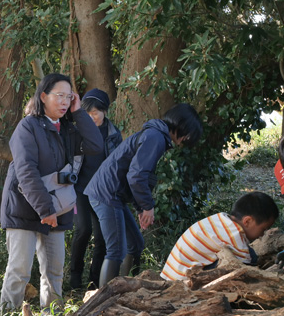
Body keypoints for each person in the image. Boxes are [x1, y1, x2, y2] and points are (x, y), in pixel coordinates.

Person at [0, 73, 103, 316]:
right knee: (19, 270)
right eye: (59, 95)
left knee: (54, 270)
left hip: (58, 209)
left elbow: (96, 146)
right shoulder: (27, 126)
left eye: (69, 96)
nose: (64, 101)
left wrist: (79, 113)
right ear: (43, 96)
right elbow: (26, 172)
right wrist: (45, 211)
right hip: (24, 208)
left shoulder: (69, 129)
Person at [85, 103, 202, 287]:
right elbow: (137, 175)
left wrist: (141, 208)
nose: (185, 140)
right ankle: (104, 300)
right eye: (188, 135)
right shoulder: (155, 137)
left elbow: (137, 175)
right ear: (181, 125)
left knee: (136, 244)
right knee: (116, 250)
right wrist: (147, 206)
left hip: (114, 194)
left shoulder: (156, 134)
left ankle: (129, 289)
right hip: (107, 193)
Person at [69, 88, 122, 291]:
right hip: (80, 190)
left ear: (105, 111)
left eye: (96, 112)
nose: (93, 116)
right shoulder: (77, 132)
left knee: (102, 236)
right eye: (89, 112)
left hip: (102, 192)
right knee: (83, 229)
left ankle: (94, 283)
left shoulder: (113, 134)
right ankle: (75, 278)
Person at [160, 191, 277, 281]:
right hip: (182, 281)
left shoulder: (221, 219)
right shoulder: (234, 235)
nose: (263, 234)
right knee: (246, 262)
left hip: (171, 275)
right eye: (263, 229)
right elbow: (246, 269)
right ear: (247, 221)